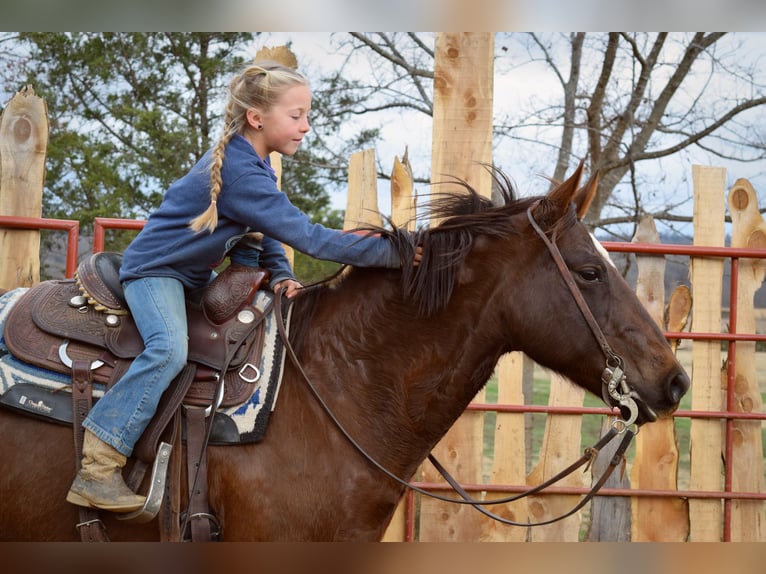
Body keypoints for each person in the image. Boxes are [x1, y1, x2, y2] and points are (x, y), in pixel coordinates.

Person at [66, 60, 420, 512]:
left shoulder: (252, 164)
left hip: (190, 277)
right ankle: (98, 467)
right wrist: (396, 253)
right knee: (168, 349)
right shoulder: (242, 172)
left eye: (307, 115)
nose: (306, 126)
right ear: (257, 117)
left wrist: (284, 273)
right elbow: (310, 237)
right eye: (296, 116)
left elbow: (263, 230)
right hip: (155, 273)